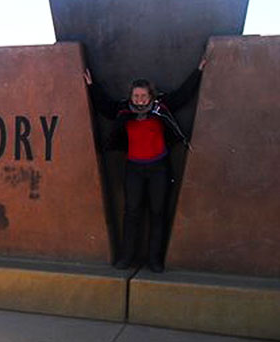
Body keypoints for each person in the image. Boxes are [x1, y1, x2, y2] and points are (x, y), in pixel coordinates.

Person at [83, 58, 206, 272]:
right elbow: (105, 107)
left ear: (151, 95)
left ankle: (155, 261)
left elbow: (183, 95)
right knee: (132, 213)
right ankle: (127, 258)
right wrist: (91, 86)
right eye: (136, 96)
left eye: (143, 96)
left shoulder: (161, 107)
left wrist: (198, 71)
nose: (139, 100)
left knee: (158, 213)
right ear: (131, 96)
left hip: (159, 167)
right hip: (134, 169)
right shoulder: (124, 110)